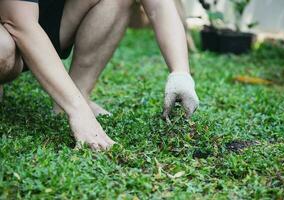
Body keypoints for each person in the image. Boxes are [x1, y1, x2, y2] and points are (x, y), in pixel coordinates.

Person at [0, 0, 199, 150]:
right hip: (12, 23)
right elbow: (18, 22)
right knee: (3, 50)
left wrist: (180, 75)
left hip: (47, 20)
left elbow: (159, 6)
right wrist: (79, 112)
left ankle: (76, 94)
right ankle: (72, 102)